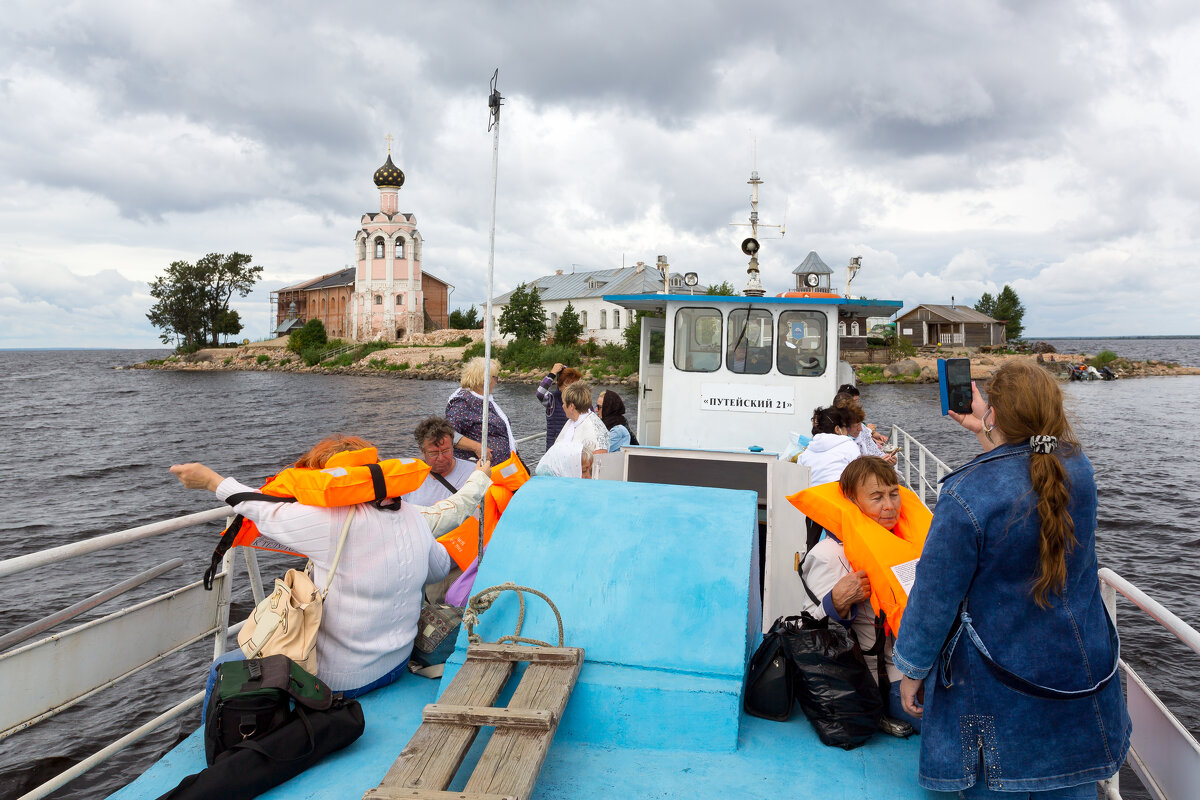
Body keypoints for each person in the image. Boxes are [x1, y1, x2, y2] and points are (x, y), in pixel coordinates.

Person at [894, 361, 1130, 798]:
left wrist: (911, 669)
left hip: (1000, 688)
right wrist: (986, 431)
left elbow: (935, 596)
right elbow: (1029, 463)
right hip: (1077, 676)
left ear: (995, 411)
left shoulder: (965, 493)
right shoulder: (1078, 470)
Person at [170, 434, 491, 699]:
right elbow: (437, 567)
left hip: (343, 679)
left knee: (221, 668)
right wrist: (480, 478)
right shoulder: (413, 516)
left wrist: (210, 480)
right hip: (397, 662)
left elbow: (261, 507)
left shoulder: (327, 522)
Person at [799, 456, 924, 730]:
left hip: (922, 665)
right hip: (885, 679)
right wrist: (837, 602)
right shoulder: (830, 555)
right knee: (957, 726)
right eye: (877, 498)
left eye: (894, 494)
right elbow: (809, 630)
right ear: (852, 502)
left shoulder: (906, 543)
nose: (890, 506)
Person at [447, 357, 517, 463]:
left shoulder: (484, 399)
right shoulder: (462, 402)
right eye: (495, 378)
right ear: (484, 379)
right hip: (483, 470)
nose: (497, 382)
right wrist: (477, 447)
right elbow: (448, 433)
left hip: (502, 468)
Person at [403, 417, 477, 506]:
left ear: (452, 446)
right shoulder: (408, 477)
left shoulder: (474, 473)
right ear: (422, 450)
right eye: (433, 453)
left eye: (445, 451)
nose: (441, 458)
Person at [798, 406, 859, 485]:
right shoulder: (849, 445)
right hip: (837, 494)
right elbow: (858, 476)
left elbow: (800, 482)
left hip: (812, 495)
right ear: (837, 429)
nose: (847, 432)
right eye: (845, 427)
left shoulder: (806, 452)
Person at [833, 392, 896, 464]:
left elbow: (875, 452)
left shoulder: (862, 430)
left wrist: (889, 460)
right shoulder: (839, 443)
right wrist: (880, 463)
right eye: (856, 425)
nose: (860, 429)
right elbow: (855, 470)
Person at [555, 382, 609, 454]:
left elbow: (600, 456)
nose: (563, 406)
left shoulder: (594, 427)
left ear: (571, 406)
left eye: (563, 403)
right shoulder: (571, 422)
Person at [536, 363, 582, 445]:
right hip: (555, 450)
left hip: (574, 449)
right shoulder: (552, 399)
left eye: (574, 384)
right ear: (559, 385)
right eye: (567, 384)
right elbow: (540, 393)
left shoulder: (581, 400)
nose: (571, 388)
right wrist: (552, 373)